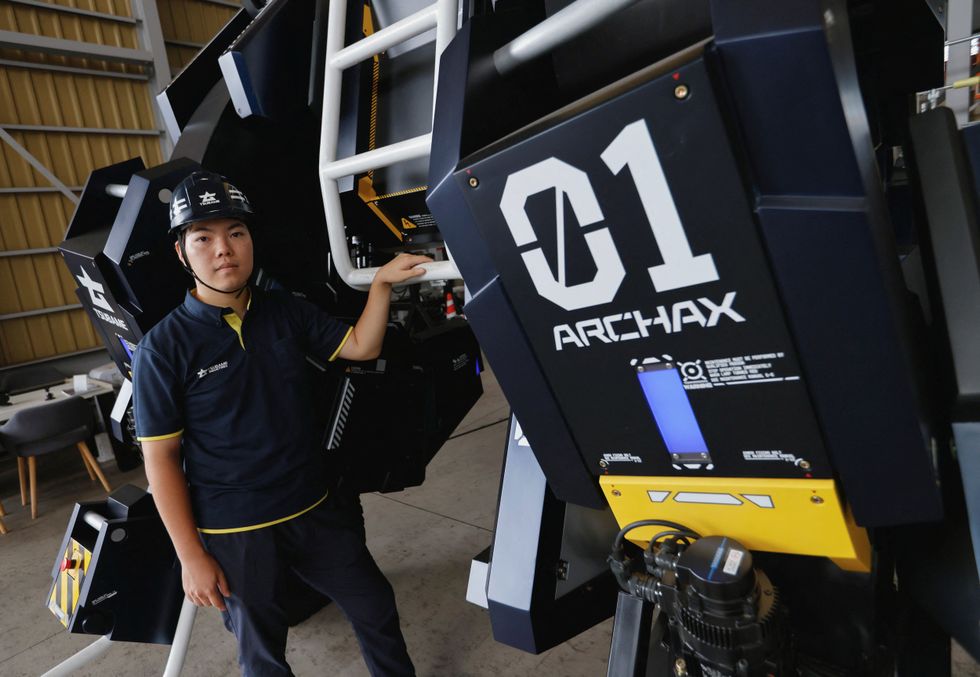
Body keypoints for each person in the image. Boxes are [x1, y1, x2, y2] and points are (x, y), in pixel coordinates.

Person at [132, 170, 428, 676]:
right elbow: (160, 460)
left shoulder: (284, 312)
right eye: (203, 238)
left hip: (312, 509)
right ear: (183, 254)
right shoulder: (163, 349)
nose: (224, 249)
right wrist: (190, 556)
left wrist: (380, 285)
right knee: (262, 654)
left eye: (236, 233)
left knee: (374, 606)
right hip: (235, 530)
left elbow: (360, 347)